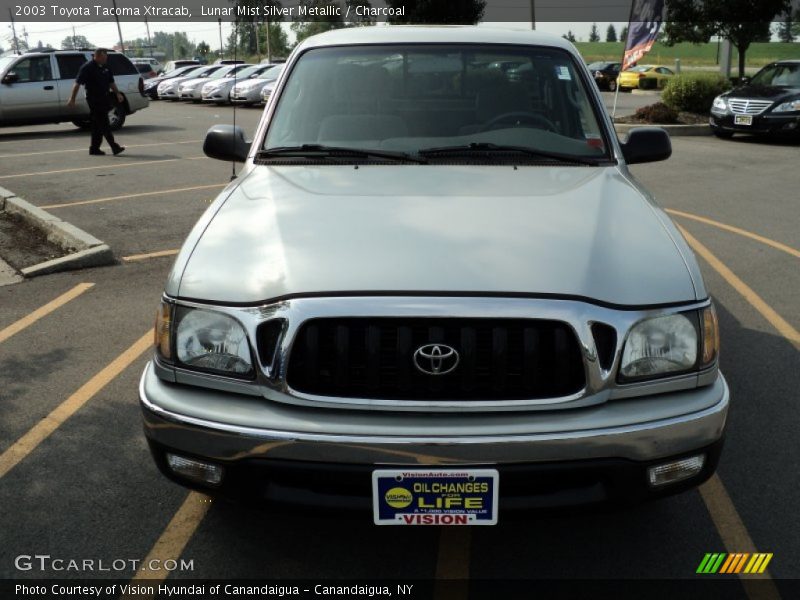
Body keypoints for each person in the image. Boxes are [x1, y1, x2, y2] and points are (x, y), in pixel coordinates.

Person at [66, 48, 125, 156]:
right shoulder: (87, 67)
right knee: (104, 123)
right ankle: (114, 147)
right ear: (96, 56)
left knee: (97, 125)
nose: (105, 59)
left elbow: (111, 82)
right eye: (103, 57)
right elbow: (77, 83)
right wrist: (72, 98)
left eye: (106, 57)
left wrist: (117, 93)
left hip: (104, 98)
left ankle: (94, 149)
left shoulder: (106, 67)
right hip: (94, 99)